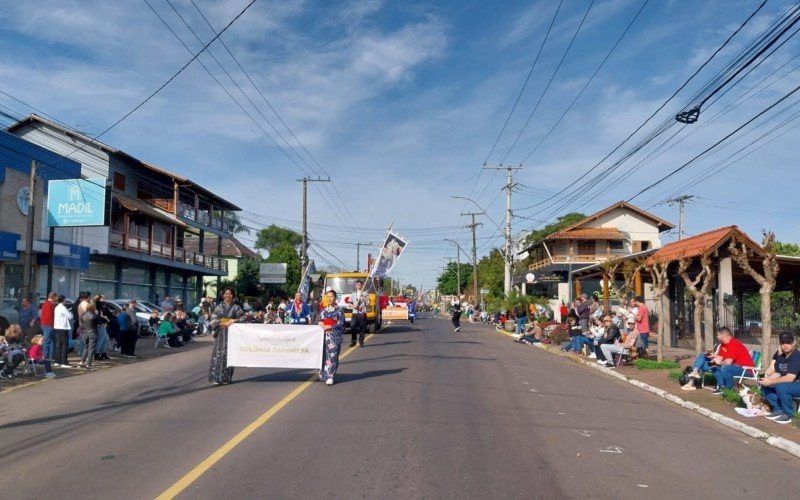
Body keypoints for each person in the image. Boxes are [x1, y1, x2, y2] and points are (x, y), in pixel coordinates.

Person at [681, 327, 753, 393]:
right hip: (732, 367)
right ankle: (696, 372)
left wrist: (719, 362)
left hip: (745, 370)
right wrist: (714, 356)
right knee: (705, 358)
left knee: (724, 367)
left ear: (722, 335)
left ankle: (728, 389)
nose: (717, 336)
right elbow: (721, 357)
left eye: (718, 335)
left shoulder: (734, 344)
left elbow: (728, 362)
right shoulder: (723, 345)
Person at [760, 332, 800, 424]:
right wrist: (764, 379)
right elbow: (777, 373)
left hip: (797, 384)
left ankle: (788, 414)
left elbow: (790, 378)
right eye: (783, 342)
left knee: (782, 387)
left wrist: (770, 381)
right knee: (765, 385)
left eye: (788, 342)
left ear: (793, 343)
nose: (785, 345)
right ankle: (778, 409)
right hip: (792, 384)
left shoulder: (797, 356)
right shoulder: (781, 356)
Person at [208, 287, 244, 386]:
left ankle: (226, 378)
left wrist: (234, 320)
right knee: (218, 355)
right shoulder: (218, 307)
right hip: (220, 333)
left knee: (229, 356)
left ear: (233, 296)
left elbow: (243, 318)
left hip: (232, 335)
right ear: (223, 295)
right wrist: (225, 322)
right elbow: (213, 320)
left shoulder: (236, 307)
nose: (228, 295)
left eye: (230, 294)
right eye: (226, 294)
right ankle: (216, 378)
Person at [319, 288, 345, 386]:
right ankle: (323, 374)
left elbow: (342, 324)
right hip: (323, 335)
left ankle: (330, 376)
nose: (329, 298)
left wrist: (330, 326)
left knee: (332, 356)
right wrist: (320, 322)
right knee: (323, 355)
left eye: (331, 297)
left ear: (335, 298)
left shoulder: (339, 310)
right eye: (328, 297)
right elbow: (317, 320)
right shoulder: (323, 310)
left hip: (334, 336)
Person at [79, 301, 103, 371]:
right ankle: (88, 365)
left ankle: (81, 362)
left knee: (86, 347)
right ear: (93, 307)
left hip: (84, 333)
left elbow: (81, 323)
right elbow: (100, 323)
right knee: (91, 348)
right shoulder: (95, 315)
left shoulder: (83, 315)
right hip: (93, 332)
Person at [53, 295, 73, 368]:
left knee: (59, 345)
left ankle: (57, 361)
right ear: (63, 300)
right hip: (63, 327)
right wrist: (71, 313)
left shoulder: (57, 307)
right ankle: (64, 362)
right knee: (65, 345)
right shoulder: (63, 307)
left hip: (57, 327)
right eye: (65, 300)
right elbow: (70, 316)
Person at [348, 280, 369, 347]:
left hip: (362, 313)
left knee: (362, 327)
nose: (358, 285)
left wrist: (363, 297)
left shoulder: (365, 293)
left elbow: (368, 302)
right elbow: (349, 303)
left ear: (362, 285)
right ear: (355, 285)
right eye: (357, 284)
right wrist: (353, 306)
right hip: (355, 313)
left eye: (360, 284)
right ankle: (353, 341)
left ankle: (361, 341)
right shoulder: (353, 294)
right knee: (352, 326)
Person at [93, 295, 111, 361]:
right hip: (100, 325)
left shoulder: (102, 306)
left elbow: (107, 313)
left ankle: (103, 353)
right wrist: (105, 318)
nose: (104, 300)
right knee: (100, 339)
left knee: (105, 339)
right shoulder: (97, 306)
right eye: (102, 298)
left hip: (103, 324)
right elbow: (98, 316)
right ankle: (97, 354)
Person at [40, 292, 57, 360]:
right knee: (48, 341)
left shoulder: (46, 304)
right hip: (48, 325)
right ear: (54, 297)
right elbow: (49, 316)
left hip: (46, 325)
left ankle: (50, 356)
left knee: (51, 341)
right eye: (56, 297)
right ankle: (46, 356)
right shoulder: (49, 305)